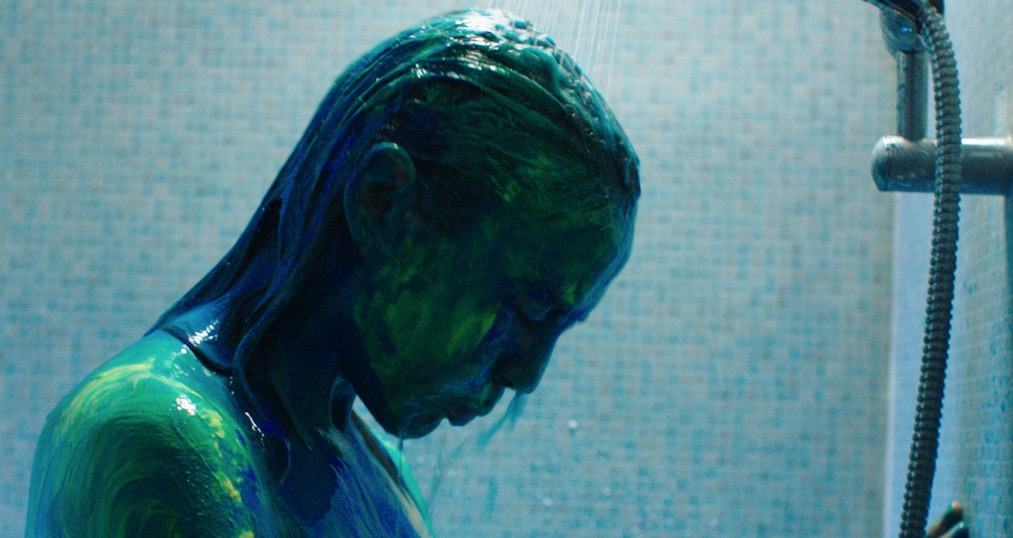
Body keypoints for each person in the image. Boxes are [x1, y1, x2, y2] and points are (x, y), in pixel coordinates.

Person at [26, 9, 639, 537]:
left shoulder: (374, 468)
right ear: (383, 202)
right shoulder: (153, 437)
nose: (526, 374)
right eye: (528, 309)